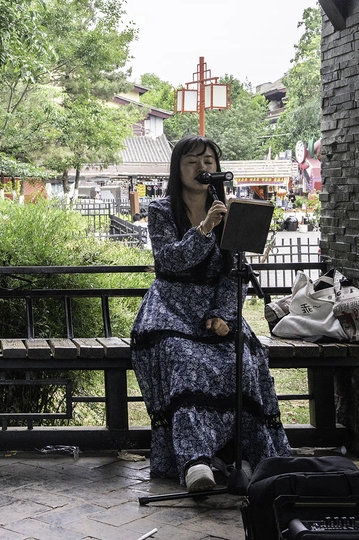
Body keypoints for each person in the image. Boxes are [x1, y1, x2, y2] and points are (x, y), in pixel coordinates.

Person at [130, 136, 291, 492]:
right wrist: (204, 230)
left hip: (217, 311)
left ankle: (239, 454)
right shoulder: (160, 210)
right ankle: (195, 461)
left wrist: (224, 315)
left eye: (208, 161)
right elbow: (169, 261)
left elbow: (235, 272)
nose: (201, 168)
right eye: (192, 161)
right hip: (171, 309)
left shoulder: (233, 212)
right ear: (177, 169)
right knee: (185, 359)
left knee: (243, 361)